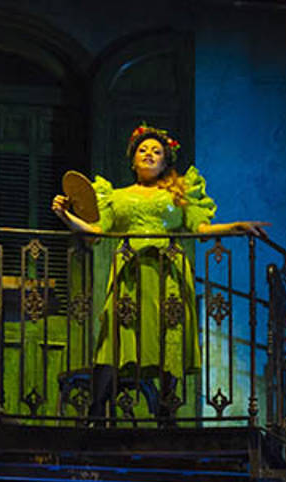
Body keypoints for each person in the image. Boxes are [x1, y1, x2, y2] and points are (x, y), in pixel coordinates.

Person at [50, 124, 267, 421]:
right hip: (131, 274)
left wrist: (234, 227)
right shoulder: (116, 196)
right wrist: (66, 216)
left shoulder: (178, 195)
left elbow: (199, 228)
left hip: (168, 274)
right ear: (132, 159)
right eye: (143, 150)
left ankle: (167, 410)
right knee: (116, 334)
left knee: (169, 333)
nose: (149, 154)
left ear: (165, 161)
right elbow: (95, 231)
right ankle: (97, 410)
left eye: (156, 151)